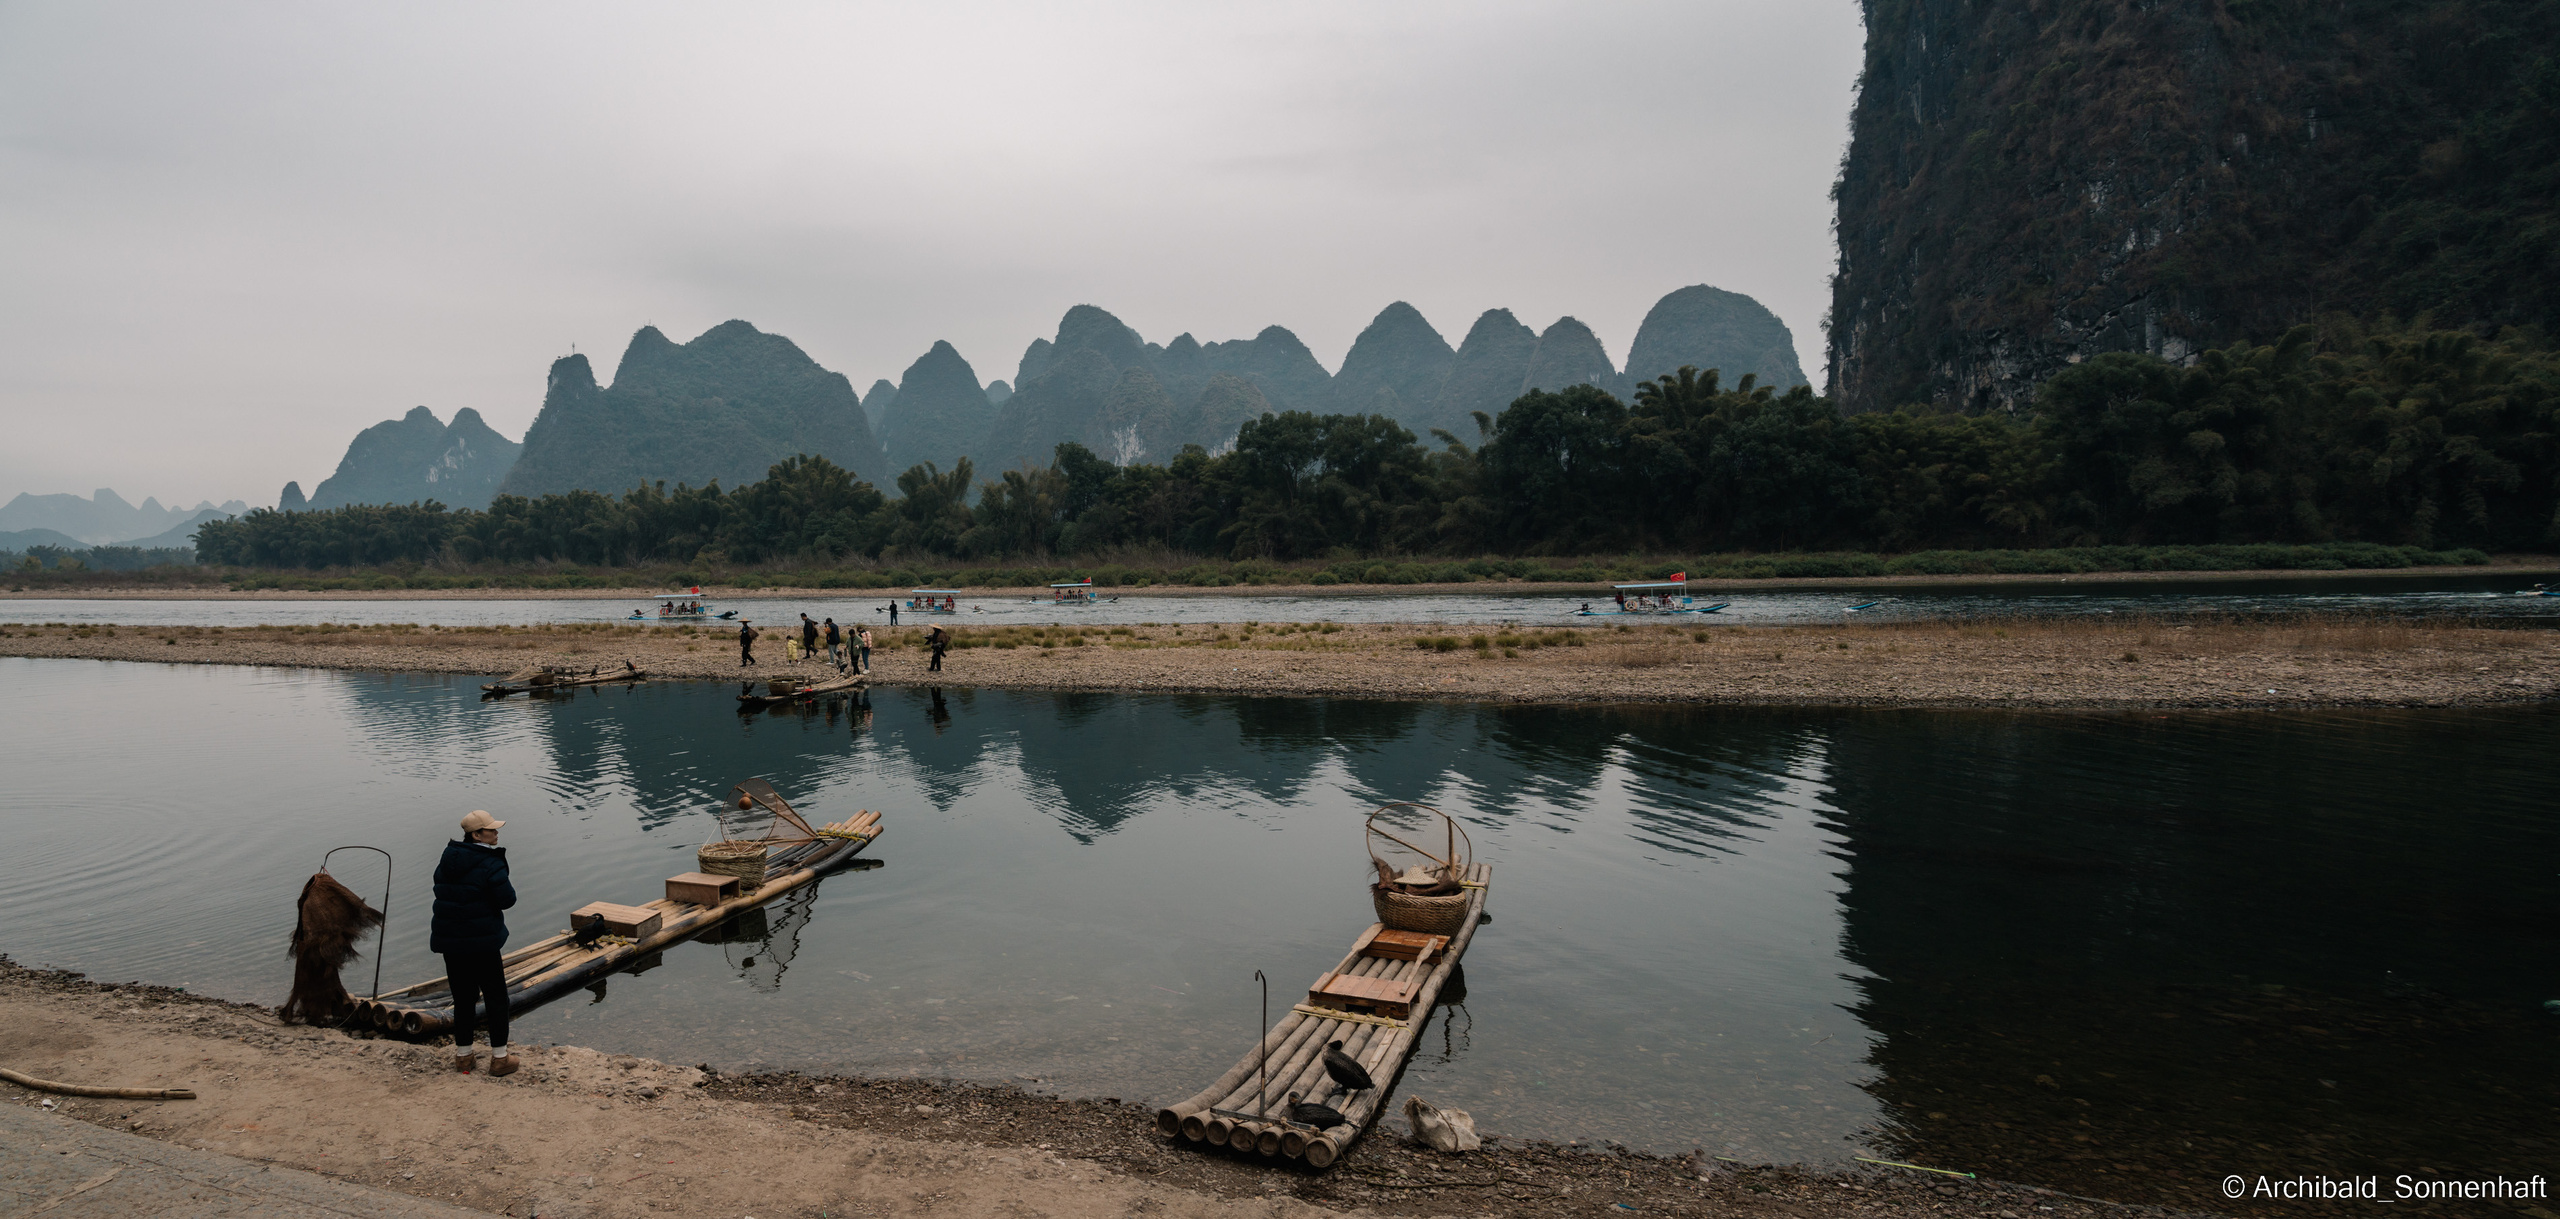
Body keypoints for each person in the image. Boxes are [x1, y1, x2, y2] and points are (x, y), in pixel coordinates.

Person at [431, 810, 518, 1077]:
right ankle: (500, 1059)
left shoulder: (448, 859)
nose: (496, 832)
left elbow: (443, 891)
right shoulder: (490, 862)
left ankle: (464, 1057)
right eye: (491, 830)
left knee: (463, 998)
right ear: (476, 835)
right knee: (495, 998)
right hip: (482, 943)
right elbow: (507, 900)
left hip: (451, 942)